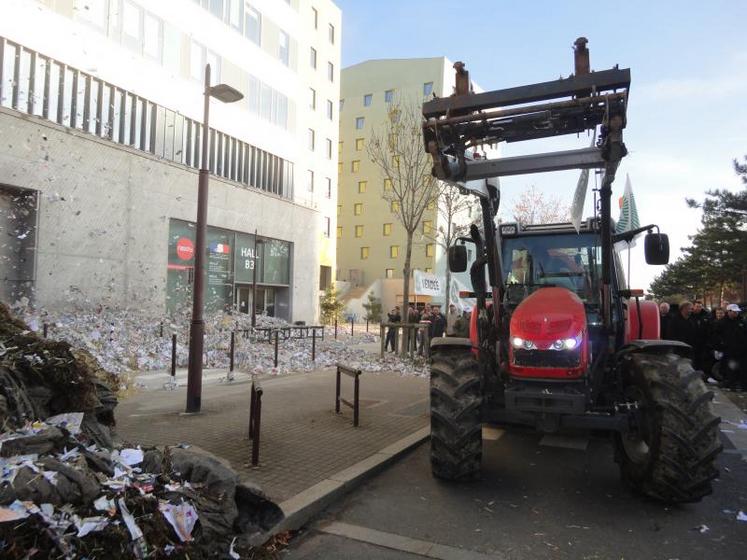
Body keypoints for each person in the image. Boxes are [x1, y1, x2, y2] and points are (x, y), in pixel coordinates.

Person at [715, 304, 747, 391]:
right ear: (728, 312)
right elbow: (716, 336)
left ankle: (743, 386)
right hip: (729, 351)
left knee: (743, 368)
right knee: (730, 369)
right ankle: (731, 385)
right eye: (734, 311)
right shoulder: (721, 323)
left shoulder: (742, 322)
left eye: (737, 312)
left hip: (742, 350)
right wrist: (720, 346)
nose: (736, 313)